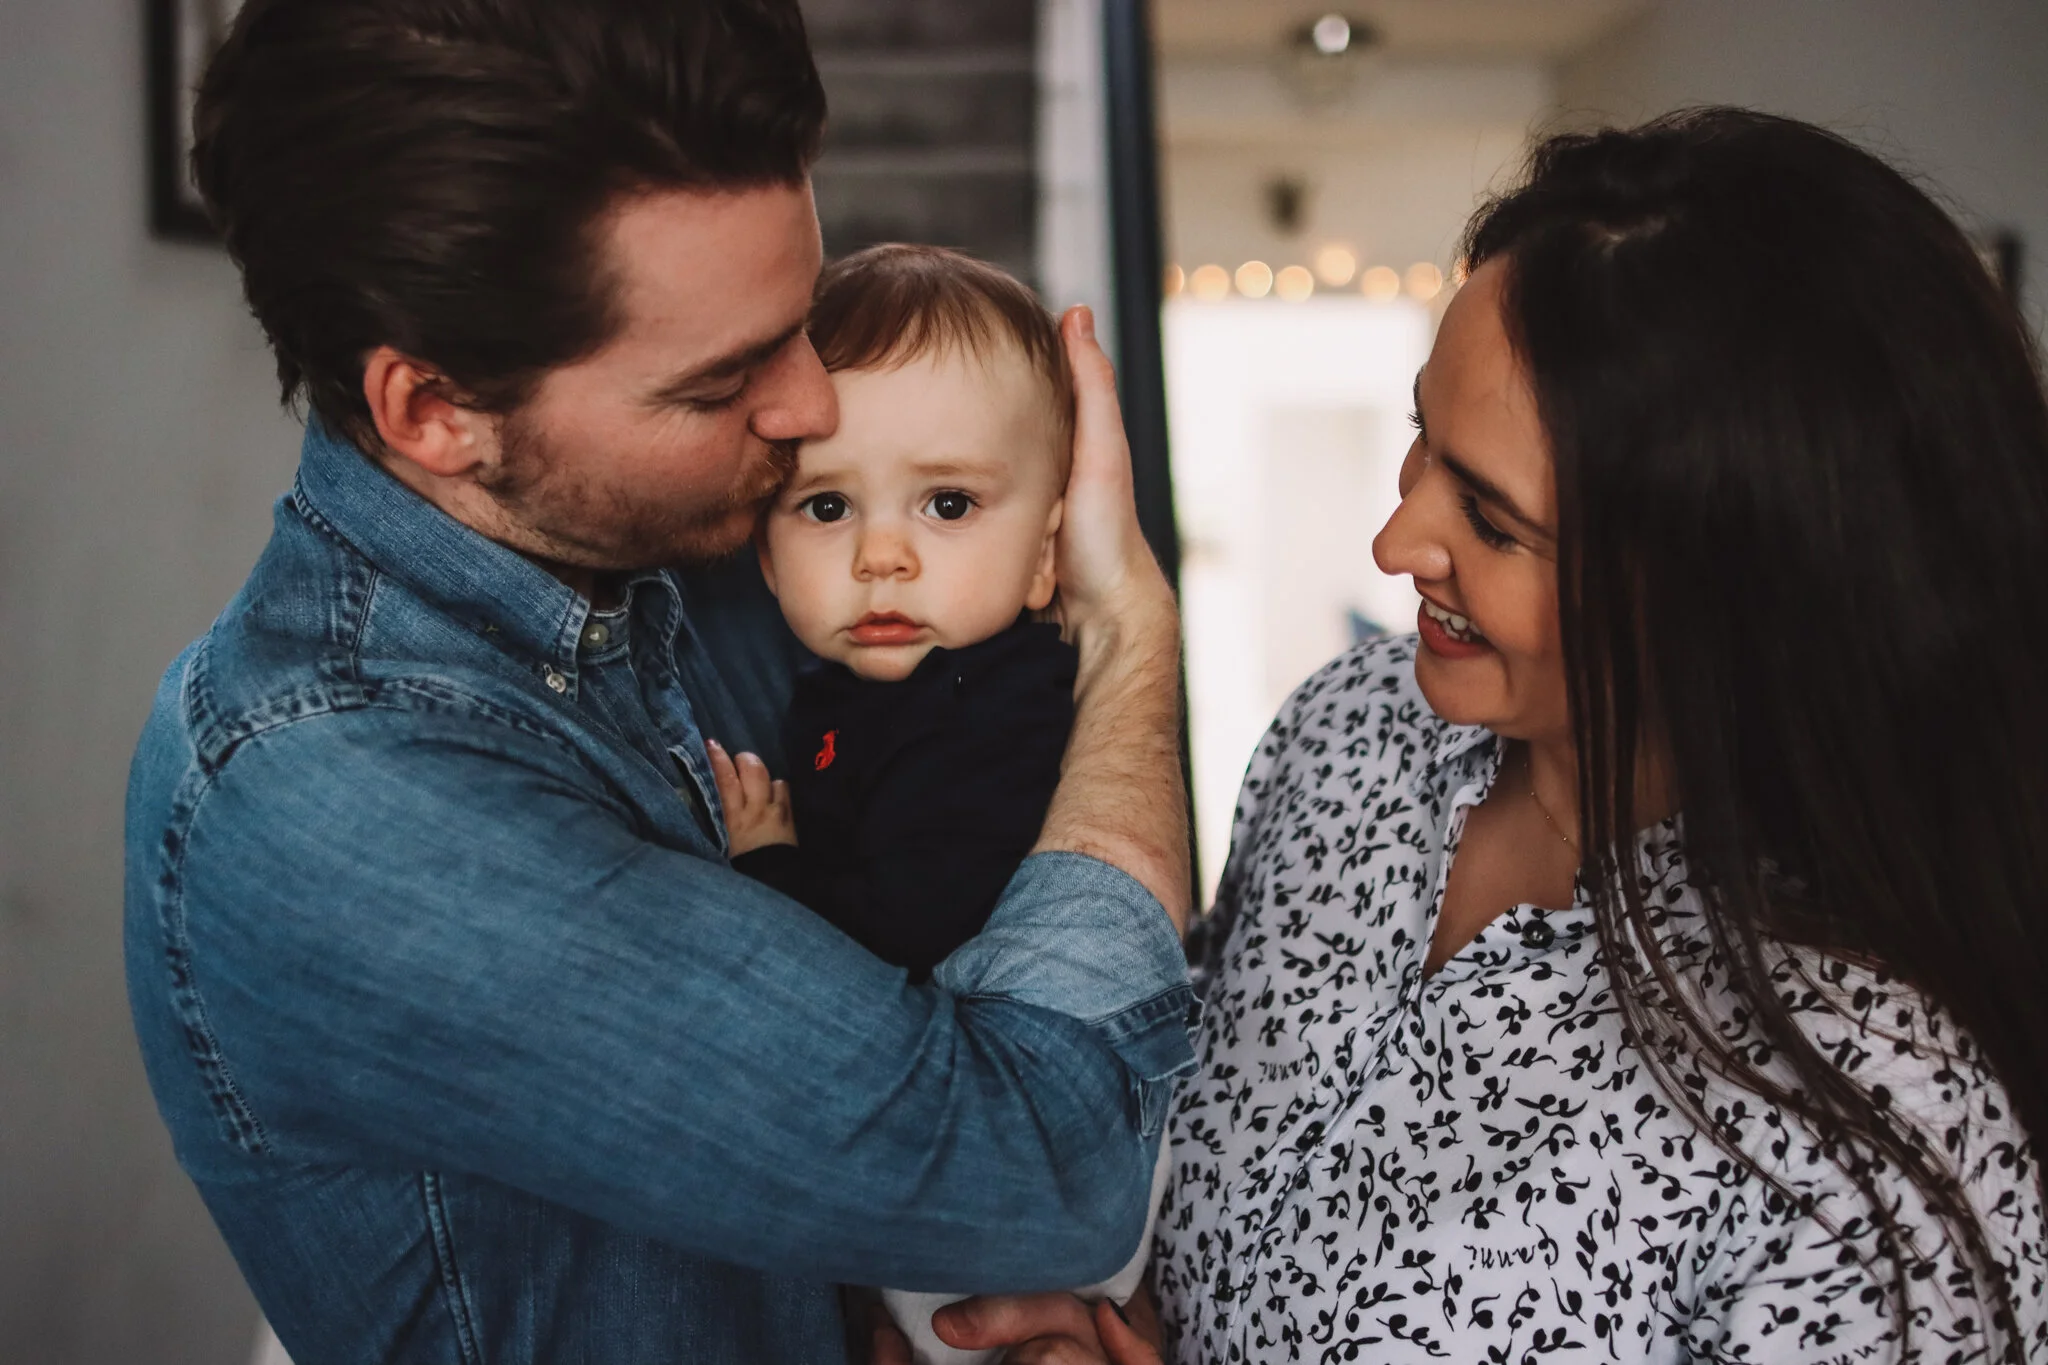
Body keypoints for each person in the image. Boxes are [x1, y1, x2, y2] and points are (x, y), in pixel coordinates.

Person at [121, 3, 1194, 1363]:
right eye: (725, 377)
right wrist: (1128, 630)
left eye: (799, 320)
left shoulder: (679, 564)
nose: (811, 406)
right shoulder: (340, 793)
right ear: (435, 411)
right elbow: (1046, 1176)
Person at [912, 109, 2048, 1365]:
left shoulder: (1879, 1132)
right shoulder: (1352, 731)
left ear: (1735, 598)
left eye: (1493, 523)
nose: (1394, 544)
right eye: (1420, 441)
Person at [714, 245, 1170, 1365]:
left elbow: (922, 912)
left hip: (1039, 1180)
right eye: (824, 505)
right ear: (765, 560)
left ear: (1042, 559)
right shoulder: (834, 694)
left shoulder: (1003, 703)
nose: (881, 556)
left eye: (949, 502)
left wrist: (771, 869)